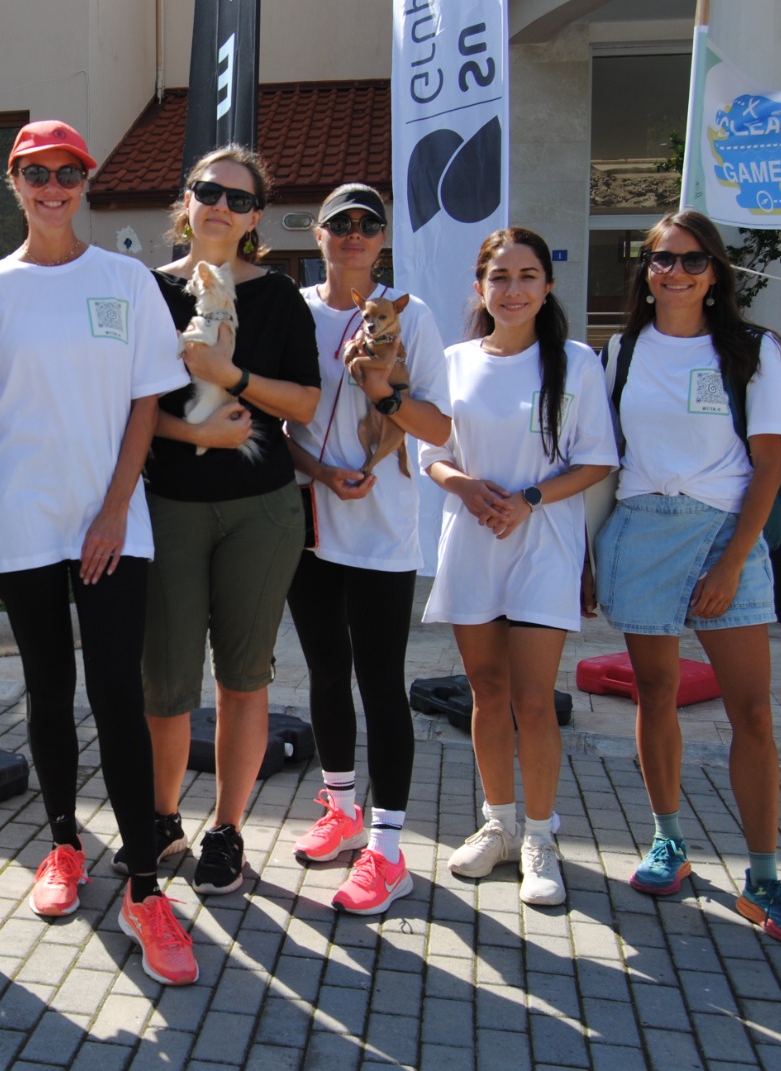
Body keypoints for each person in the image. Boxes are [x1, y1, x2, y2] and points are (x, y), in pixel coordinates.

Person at [0, 120, 198, 984]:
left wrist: (111, 508)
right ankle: (63, 843)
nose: (54, 187)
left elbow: (146, 402)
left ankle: (144, 885)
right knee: (46, 688)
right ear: (16, 182)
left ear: (87, 180)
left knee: (117, 694)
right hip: (22, 516)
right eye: (37, 173)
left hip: (112, 521)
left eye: (68, 173)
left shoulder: (126, 280)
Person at [593, 209, 781, 943]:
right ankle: (669, 842)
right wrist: (592, 558)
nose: (677, 272)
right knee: (655, 692)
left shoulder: (755, 351)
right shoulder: (620, 350)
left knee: (752, 711)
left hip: (728, 532)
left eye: (693, 260)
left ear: (716, 272)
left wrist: (729, 562)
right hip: (641, 530)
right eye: (663, 259)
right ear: (647, 270)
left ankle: (764, 876)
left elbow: (766, 467)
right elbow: (606, 460)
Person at [140, 145, 320, 897]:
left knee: (243, 681)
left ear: (253, 219)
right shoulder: (147, 291)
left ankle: (228, 829)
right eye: (207, 191)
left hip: (261, 509)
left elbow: (305, 403)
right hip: (171, 505)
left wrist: (232, 377)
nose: (220, 205)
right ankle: (158, 818)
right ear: (187, 202)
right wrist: (195, 433)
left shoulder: (279, 295)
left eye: (238, 199)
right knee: (166, 683)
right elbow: (135, 408)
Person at [421, 227, 616, 907]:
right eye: (499, 276)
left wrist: (530, 499)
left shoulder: (579, 364)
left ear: (547, 286)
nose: (513, 289)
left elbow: (598, 460)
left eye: (527, 275)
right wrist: (466, 487)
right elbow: (432, 453)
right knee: (486, 694)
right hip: (473, 540)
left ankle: (539, 836)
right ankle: (496, 824)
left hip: (544, 545)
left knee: (535, 701)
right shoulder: (451, 360)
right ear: (480, 287)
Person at [282, 184, 451, 915]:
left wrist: (382, 394)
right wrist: (320, 472)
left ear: (383, 239)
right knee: (325, 671)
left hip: (382, 527)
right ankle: (342, 809)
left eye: (368, 224)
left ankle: (387, 851)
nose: (354, 233)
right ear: (317, 235)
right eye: (340, 223)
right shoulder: (293, 310)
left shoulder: (415, 314)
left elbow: (439, 427)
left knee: (381, 682)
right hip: (311, 523)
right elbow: (278, 416)